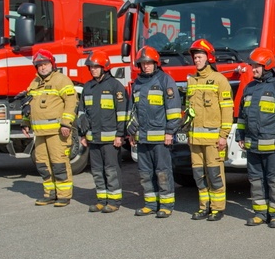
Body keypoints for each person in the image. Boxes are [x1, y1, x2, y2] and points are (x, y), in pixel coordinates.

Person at [235, 47, 275, 228]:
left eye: (257, 66)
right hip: (252, 145)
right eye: (252, 66)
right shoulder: (249, 88)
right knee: (256, 180)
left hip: (274, 147)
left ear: (267, 65)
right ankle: (260, 212)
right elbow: (242, 115)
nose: (254, 69)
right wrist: (240, 136)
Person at [127, 46, 182, 218]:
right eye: (143, 64)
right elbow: (132, 109)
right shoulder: (137, 83)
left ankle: (166, 205)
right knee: (145, 173)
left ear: (156, 63)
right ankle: (150, 204)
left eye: (149, 63)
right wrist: (131, 131)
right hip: (142, 137)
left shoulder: (165, 80)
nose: (146, 67)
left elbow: (173, 109)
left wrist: (169, 132)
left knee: (163, 172)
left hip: (160, 138)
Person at [185, 39, 234, 222]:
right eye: (195, 57)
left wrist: (223, 136)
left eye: (199, 57)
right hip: (195, 140)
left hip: (214, 140)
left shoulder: (220, 81)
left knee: (215, 175)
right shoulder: (191, 81)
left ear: (209, 58)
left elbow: (227, 109)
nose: (196, 60)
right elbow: (189, 112)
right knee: (199, 176)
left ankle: (217, 208)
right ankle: (203, 207)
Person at [22, 49, 78, 207]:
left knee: (59, 163)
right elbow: (28, 105)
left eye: (45, 64)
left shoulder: (62, 80)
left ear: (52, 64)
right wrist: (25, 123)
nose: (42, 67)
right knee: (42, 164)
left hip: (57, 132)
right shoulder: (34, 83)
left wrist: (66, 123)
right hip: (39, 133)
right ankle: (49, 194)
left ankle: (64, 196)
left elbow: (71, 102)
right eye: (39, 65)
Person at [77, 52, 129, 213]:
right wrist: (82, 134)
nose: (93, 70)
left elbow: (122, 113)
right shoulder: (87, 87)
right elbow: (81, 112)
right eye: (91, 67)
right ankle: (102, 199)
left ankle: (114, 201)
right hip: (93, 138)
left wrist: (120, 135)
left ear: (105, 68)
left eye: (96, 67)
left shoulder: (115, 86)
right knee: (97, 171)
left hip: (111, 139)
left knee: (111, 170)